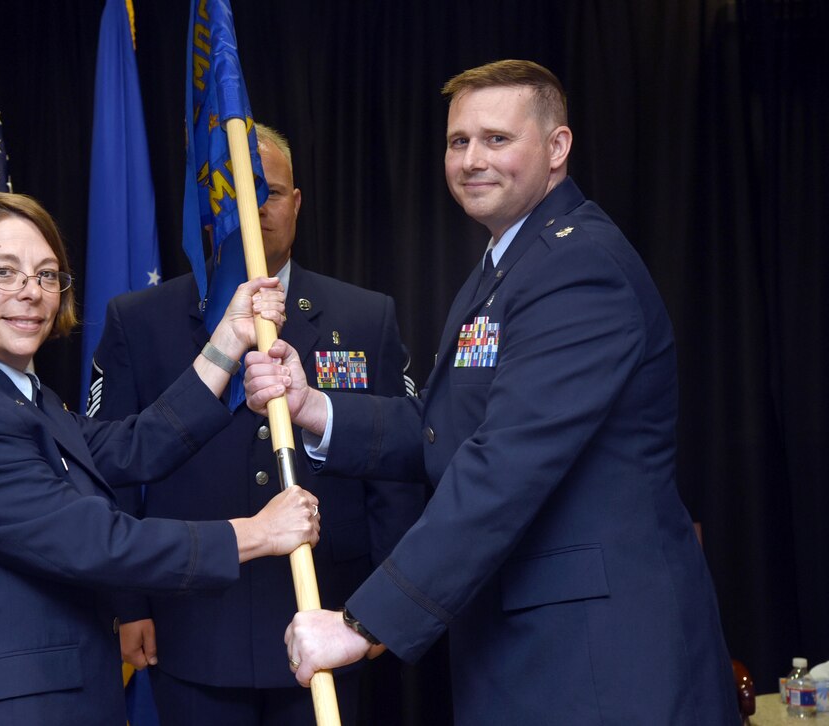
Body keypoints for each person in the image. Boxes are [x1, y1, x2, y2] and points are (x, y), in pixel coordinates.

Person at [244, 60, 738, 724]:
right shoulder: (508, 264)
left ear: (557, 149)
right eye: (458, 141)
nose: (473, 159)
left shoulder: (577, 267)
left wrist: (363, 626)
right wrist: (315, 409)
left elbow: (504, 465)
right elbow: (448, 428)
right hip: (530, 652)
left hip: (598, 665)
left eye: (497, 139)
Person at [0, 192, 322, 726]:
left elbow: (132, 445)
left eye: (46, 275)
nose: (31, 294)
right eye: (3, 273)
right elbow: (97, 543)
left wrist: (229, 338)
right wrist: (259, 534)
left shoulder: (15, 395)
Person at [90, 123, 426, 725]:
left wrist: (385, 605)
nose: (254, 209)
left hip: (327, 618)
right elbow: (109, 469)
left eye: (268, 192)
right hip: (193, 624)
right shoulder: (140, 321)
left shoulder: (366, 316)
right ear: (207, 207)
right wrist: (128, 602)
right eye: (233, 194)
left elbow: (397, 471)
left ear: (296, 203)